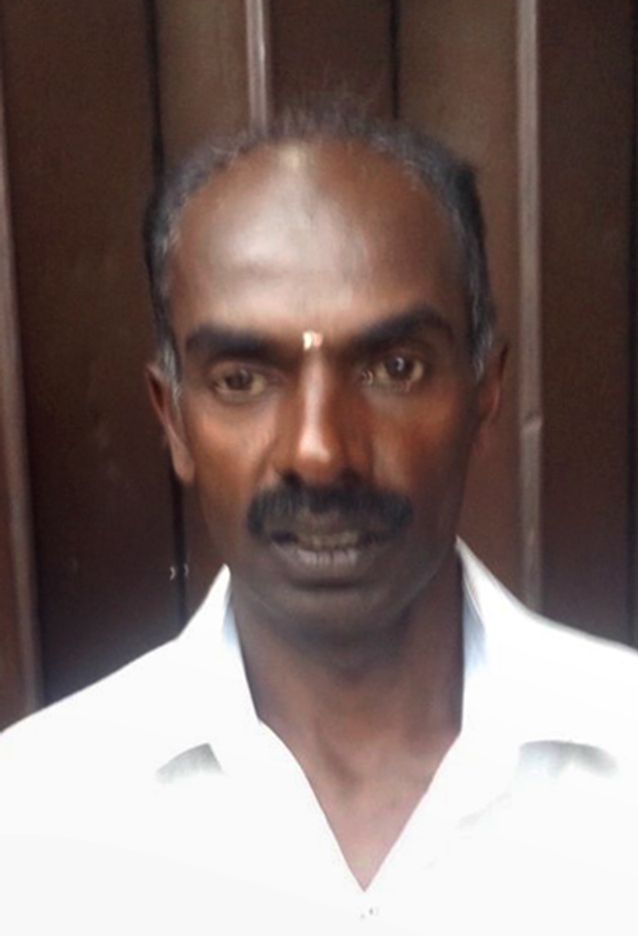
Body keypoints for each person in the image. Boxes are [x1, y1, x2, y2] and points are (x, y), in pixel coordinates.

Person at [1, 105, 637, 935]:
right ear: (173, 419)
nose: (319, 451)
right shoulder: (37, 824)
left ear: (484, 394)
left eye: (394, 367)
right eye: (241, 379)